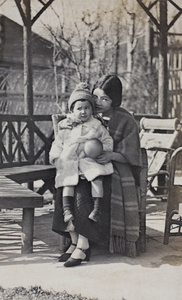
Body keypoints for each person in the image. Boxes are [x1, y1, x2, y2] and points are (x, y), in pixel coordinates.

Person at [51, 75, 142, 267]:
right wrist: (65, 125)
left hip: (115, 168)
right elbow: (67, 132)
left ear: (114, 100)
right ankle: (75, 240)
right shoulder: (88, 114)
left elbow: (133, 154)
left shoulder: (125, 120)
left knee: (83, 190)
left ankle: (83, 245)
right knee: (67, 184)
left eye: (105, 99)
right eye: (96, 97)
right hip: (85, 164)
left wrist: (112, 156)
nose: (99, 103)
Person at [49, 82, 114, 225]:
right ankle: (67, 210)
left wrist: (101, 148)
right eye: (79, 109)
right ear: (72, 110)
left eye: (87, 108)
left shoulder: (97, 125)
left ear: (92, 110)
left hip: (89, 160)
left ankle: (97, 209)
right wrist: (56, 157)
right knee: (67, 181)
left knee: (97, 178)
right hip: (70, 160)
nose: (83, 112)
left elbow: (107, 140)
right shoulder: (67, 125)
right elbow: (58, 143)